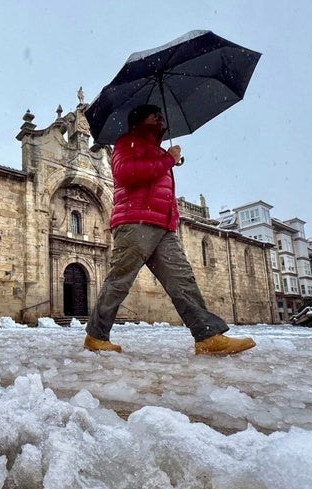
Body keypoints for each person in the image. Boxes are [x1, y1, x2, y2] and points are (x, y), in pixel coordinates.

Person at [84, 104, 256, 356]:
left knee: (182, 280)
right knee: (120, 280)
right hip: (135, 221)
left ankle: (207, 335)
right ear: (138, 122)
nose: (161, 120)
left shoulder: (156, 150)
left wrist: (165, 160)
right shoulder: (127, 143)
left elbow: (160, 191)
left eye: (161, 116)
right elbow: (125, 173)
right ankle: (96, 336)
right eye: (156, 116)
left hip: (162, 226)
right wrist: (167, 160)